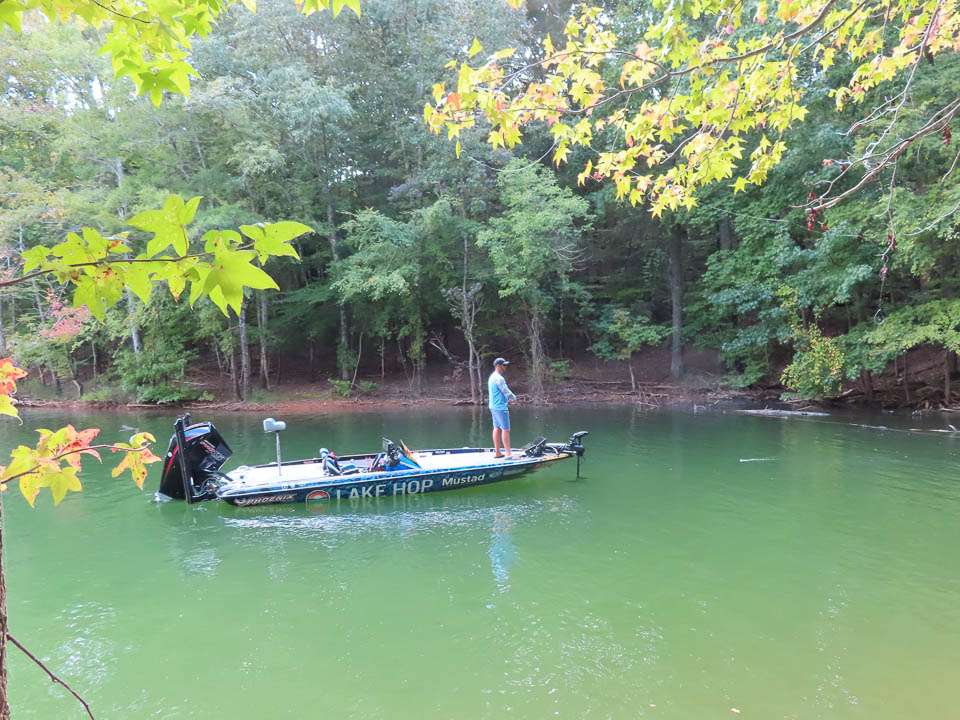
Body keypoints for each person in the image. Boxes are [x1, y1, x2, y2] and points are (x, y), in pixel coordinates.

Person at [487, 357, 517, 458]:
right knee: (505, 429)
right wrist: (514, 398)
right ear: (498, 366)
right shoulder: (499, 378)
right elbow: (506, 391)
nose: (505, 367)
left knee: (496, 428)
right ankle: (508, 454)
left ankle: (497, 452)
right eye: (504, 365)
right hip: (500, 407)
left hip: (493, 406)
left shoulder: (492, 377)